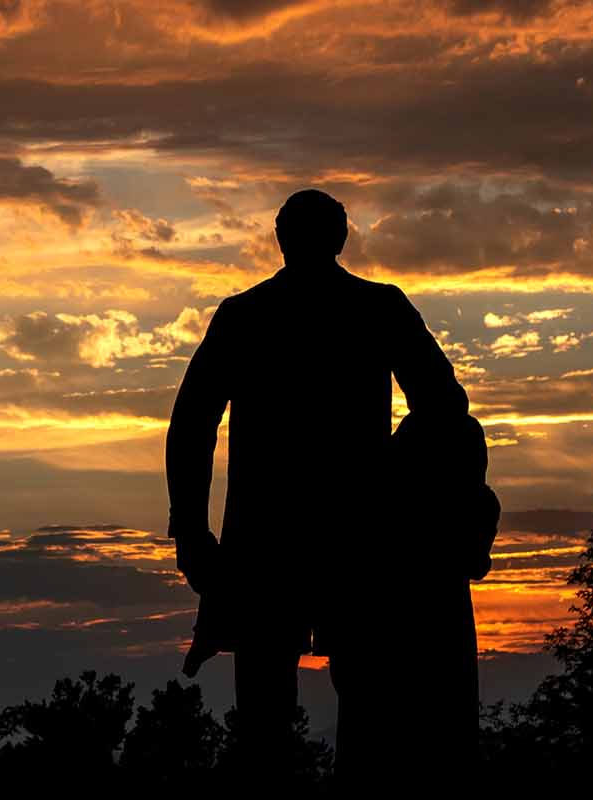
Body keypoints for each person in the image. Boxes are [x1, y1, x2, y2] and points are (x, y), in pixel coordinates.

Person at [167, 189, 496, 787]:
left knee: (273, 706)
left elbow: (192, 426)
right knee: (356, 700)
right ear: (341, 238)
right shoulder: (376, 307)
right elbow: (445, 404)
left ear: (280, 239)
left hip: (279, 536)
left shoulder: (247, 315)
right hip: (352, 535)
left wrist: (192, 529)